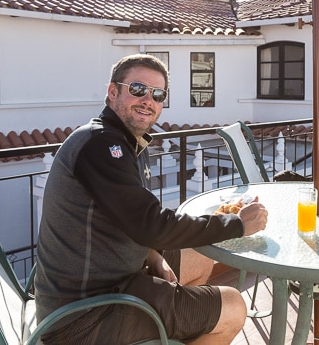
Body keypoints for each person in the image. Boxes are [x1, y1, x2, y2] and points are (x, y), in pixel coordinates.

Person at [34, 53, 268, 344]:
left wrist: (153, 254)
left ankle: (175, 330)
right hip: (83, 315)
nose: (148, 100)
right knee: (233, 306)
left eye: (158, 94)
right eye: (137, 89)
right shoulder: (101, 145)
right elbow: (150, 224)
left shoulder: (121, 142)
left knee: (200, 255)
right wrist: (237, 223)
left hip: (117, 278)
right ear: (112, 91)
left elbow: (127, 217)